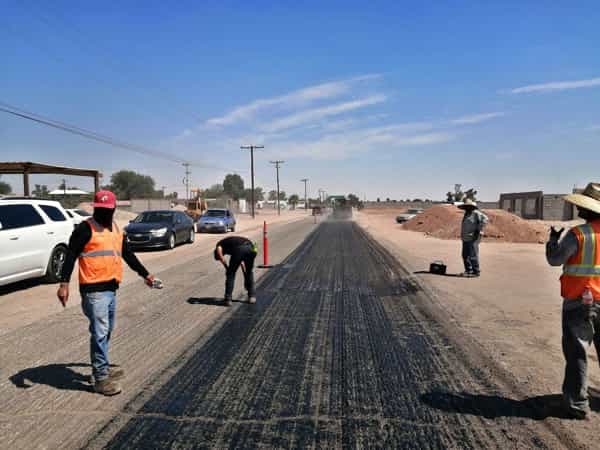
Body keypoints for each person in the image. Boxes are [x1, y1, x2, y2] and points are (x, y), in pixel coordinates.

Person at [57, 190, 157, 396]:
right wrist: (63, 284)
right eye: (99, 209)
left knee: (107, 330)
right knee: (100, 332)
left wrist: (146, 276)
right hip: (93, 291)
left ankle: (100, 367)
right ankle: (100, 378)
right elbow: (70, 255)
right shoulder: (85, 229)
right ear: (96, 208)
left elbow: (128, 255)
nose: (103, 213)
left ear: (113, 209)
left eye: (107, 210)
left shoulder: (116, 230)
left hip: (110, 289)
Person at [546, 182, 600, 419]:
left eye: (582, 206)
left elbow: (555, 260)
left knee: (577, 352)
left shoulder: (579, 234)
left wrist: (552, 242)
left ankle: (577, 404)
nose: (578, 210)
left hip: (581, 301)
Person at [214, 236, 257, 306]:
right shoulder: (230, 244)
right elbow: (242, 263)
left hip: (241, 249)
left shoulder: (219, 245)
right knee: (249, 272)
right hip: (252, 248)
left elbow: (222, 258)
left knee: (231, 274)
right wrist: (245, 277)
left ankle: (228, 299)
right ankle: (252, 297)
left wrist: (227, 268)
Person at [458, 198, 488, 277]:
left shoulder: (476, 213)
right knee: (465, 255)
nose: (466, 208)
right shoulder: (466, 214)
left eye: (468, 206)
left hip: (473, 238)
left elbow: (485, 219)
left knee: (472, 255)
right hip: (465, 238)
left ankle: (476, 271)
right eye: (465, 207)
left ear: (471, 207)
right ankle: (468, 270)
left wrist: (478, 230)